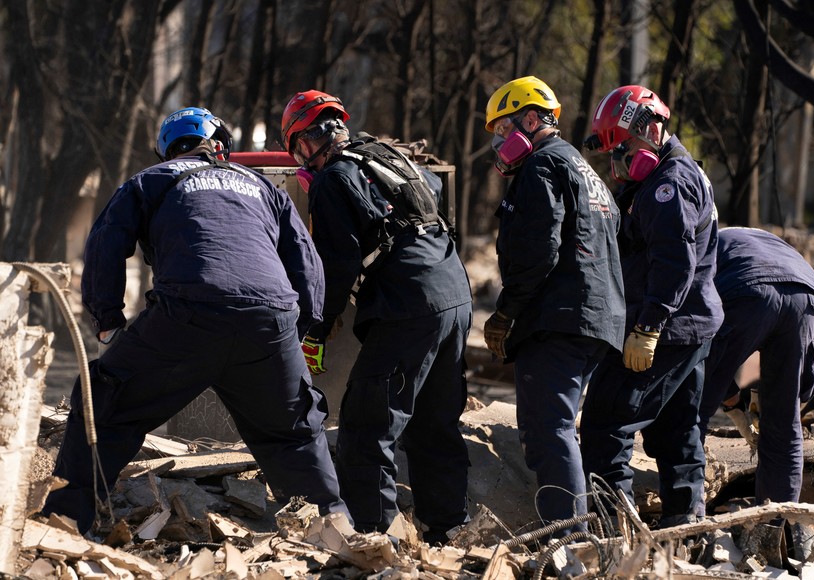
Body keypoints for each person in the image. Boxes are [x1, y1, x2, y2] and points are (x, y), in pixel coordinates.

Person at [42, 107, 350, 534]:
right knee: (293, 436)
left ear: (166, 151)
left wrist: (107, 320)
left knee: (104, 405)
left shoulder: (151, 180)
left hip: (188, 314)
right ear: (220, 144)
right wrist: (296, 331)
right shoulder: (261, 185)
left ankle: (65, 524)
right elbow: (306, 260)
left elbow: (105, 243)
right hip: (270, 321)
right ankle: (337, 536)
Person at [280, 90, 472, 544]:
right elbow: (435, 187)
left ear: (308, 140)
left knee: (367, 428)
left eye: (299, 148)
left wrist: (316, 329)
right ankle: (443, 530)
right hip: (453, 293)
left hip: (407, 308)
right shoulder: (384, 154)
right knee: (434, 422)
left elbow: (336, 264)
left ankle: (372, 540)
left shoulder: (332, 180)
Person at [482, 76, 626, 532]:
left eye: (503, 130)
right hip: (596, 319)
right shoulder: (588, 173)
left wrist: (506, 312)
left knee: (550, 430)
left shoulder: (542, 167)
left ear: (530, 119)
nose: (499, 143)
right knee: (562, 426)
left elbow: (536, 251)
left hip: (559, 319)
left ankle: (567, 540)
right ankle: (583, 533)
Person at [579, 85, 723, 528]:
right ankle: (686, 527)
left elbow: (674, 263)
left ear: (652, 128)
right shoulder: (669, 175)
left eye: (623, 149)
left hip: (665, 328)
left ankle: (613, 533)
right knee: (677, 428)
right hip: (689, 326)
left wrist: (648, 327)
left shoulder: (670, 185)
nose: (618, 164)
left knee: (607, 425)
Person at [698, 227, 814, 509]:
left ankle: (685, 520)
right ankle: (774, 528)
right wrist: (762, 403)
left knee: (693, 413)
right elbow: (804, 390)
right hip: (807, 297)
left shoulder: (706, 245)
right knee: (784, 427)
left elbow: (705, 356)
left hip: (747, 290)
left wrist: (722, 400)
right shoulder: (765, 244)